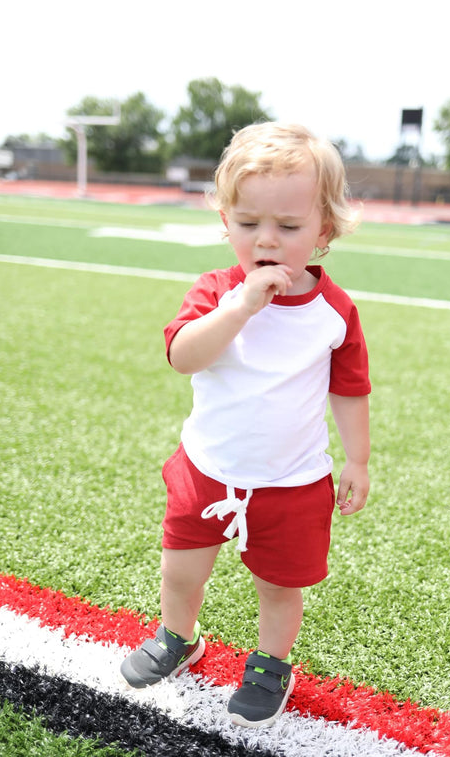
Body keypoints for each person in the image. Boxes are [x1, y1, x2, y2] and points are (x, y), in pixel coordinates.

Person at [120, 122, 371, 728]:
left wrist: (358, 460)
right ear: (225, 222)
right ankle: (179, 636)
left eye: (288, 228)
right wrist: (240, 305)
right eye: (248, 223)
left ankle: (269, 662)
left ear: (323, 231)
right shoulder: (215, 290)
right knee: (180, 570)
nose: (267, 240)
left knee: (281, 587)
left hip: (292, 479)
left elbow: (350, 389)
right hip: (207, 468)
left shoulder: (333, 312)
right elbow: (184, 356)